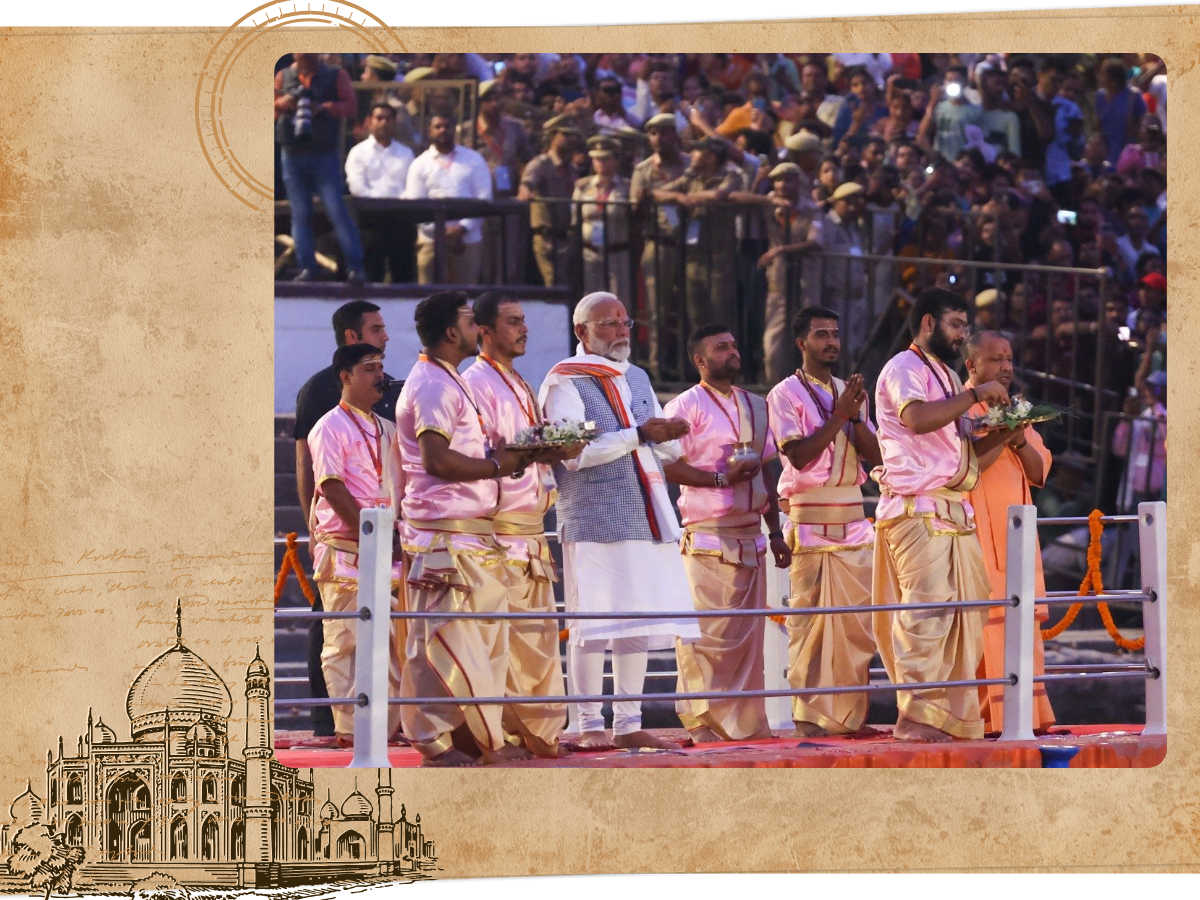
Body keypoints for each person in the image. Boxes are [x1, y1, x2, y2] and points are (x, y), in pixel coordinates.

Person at [538, 291, 702, 751]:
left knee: (640, 618)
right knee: (591, 622)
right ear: (581, 332)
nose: (620, 332)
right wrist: (640, 435)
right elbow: (573, 454)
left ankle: (628, 722)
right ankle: (588, 723)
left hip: (646, 508)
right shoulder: (563, 382)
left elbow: (657, 440)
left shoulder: (637, 377)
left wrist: (672, 438)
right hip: (593, 513)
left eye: (624, 323)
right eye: (608, 324)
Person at [395, 291, 536, 767]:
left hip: (472, 533)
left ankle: (474, 739)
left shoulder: (449, 378)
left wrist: (514, 458)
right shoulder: (432, 384)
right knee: (444, 641)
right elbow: (436, 460)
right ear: (453, 332)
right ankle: (436, 745)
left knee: (480, 640)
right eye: (473, 322)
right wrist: (498, 465)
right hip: (444, 534)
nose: (480, 329)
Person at [871, 288, 1014, 742]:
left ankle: (950, 717)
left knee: (965, 617)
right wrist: (974, 392)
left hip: (955, 508)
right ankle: (914, 718)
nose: (963, 335)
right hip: (916, 510)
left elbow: (961, 440)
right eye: (957, 325)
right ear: (928, 323)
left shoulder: (948, 377)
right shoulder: (902, 368)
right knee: (926, 616)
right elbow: (917, 420)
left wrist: (1011, 430)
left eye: (966, 326)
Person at [462, 292, 580, 758]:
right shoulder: (475, 383)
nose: (523, 329)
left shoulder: (516, 381)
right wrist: (536, 449)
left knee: (537, 638)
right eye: (513, 321)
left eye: (524, 320)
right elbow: (486, 456)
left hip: (532, 528)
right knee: (503, 642)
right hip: (500, 530)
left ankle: (540, 733)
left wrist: (555, 446)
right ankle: (502, 736)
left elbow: (525, 447)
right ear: (483, 331)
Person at [662, 325, 790, 743]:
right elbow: (665, 465)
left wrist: (775, 532)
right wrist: (720, 478)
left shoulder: (756, 404)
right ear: (700, 360)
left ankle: (747, 726)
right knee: (707, 638)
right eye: (722, 347)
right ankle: (704, 724)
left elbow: (767, 469)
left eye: (734, 345)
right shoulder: (685, 406)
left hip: (752, 535)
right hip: (707, 536)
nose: (733, 352)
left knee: (748, 641)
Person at [767, 307, 882, 736]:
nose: (831, 341)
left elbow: (875, 455)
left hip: (854, 519)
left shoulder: (851, 392)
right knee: (810, 628)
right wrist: (839, 415)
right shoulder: (784, 394)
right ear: (801, 344)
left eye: (835, 334)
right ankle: (811, 720)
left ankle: (849, 720)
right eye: (821, 335)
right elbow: (798, 455)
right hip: (811, 522)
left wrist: (853, 416)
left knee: (857, 626)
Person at [292, 300, 401, 738]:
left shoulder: (387, 429)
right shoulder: (328, 427)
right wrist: (373, 533)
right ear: (346, 376)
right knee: (344, 641)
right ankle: (349, 728)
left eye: (380, 368)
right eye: (369, 368)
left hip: (384, 548)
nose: (379, 375)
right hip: (348, 548)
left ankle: (389, 727)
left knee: (393, 638)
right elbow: (332, 486)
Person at [962, 331, 1056, 734]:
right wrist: (1003, 434)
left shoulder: (1018, 408)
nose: (1006, 367)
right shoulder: (959, 410)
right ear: (972, 366)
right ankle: (985, 719)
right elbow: (968, 467)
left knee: (1022, 626)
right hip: (977, 536)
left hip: (1017, 539)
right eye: (996, 359)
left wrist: (1018, 438)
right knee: (982, 628)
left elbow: (1038, 472)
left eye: (1009, 359)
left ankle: (1029, 717)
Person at [274, 53, 366, 283]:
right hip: (292, 153)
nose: (305, 56)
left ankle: (355, 268)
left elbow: (350, 106)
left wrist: (323, 108)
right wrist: (284, 103)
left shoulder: (336, 74)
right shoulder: (283, 76)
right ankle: (308, 268)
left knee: (336, 211)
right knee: (300, 214)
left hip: (323, 153)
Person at [653, 137, 746, 338]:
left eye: (697, 152)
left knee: (721, 317)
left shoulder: (730, 176)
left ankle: (726, 364)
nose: (692, 156)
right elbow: (657, 192)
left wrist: (693, 198)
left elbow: (720, 194)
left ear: (711, 157)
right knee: (697, 317)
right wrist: (678, 197)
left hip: (720, 259)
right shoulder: (691, 178)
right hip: (694, 258)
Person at [740, 163, 822, 385]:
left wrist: (780, 250)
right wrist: (767, 198)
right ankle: (774, 388)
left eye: (788, 179)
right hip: (778, 280)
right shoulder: (770, 203)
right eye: (778, 180)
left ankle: (812, 388)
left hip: (806, 278)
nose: (783, 185)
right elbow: (737, 198)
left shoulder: (810, 207)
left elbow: (815, 242)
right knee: (774, 343)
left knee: (810, 335)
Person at [630, 113, 689, 378]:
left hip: (692, 243)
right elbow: (633, 210)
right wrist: (642, 202)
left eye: (664, 132)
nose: (659, 138)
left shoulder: (689, 164)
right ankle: (658, 366)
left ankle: (690, 363)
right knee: (657, 309)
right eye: (653, 133)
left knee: (692, 307)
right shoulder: (643, 169)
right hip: (659, 241)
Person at [403, 113, 493, 285]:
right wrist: (441, 232)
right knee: (429, 299)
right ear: (430, 131)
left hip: (467, 240)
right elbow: (415, 205)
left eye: (447, 126)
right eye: (438, 127)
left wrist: (462, 228)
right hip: (430, 241)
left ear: (455, 130)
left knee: (465, 297)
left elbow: (483, 198)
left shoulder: (474, 159)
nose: (443, 130)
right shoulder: (419, 164)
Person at [344, 103, 416, 284]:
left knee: (404, 273)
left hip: (400, 219)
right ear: (369, 122)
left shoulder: (406, 153)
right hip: (370, 220)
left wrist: (397, 206)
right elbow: (356, 185)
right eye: (379, 118)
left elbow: (412, 185)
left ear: (394, 123)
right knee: (371, 272)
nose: (384, 122)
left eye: (388, 119)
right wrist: (380, 205)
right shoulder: (358, 152)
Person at [475, 80, 532, 284]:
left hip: (508, 199)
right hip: (479, 201)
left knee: (510, 257)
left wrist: (525, 185)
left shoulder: (515, 127)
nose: (494, 103)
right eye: (488, 99)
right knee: (484, 259)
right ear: (479, 103)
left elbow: (528, 160)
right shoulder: (467, 129)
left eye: (498, 98)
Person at [519, 117, 583, 287]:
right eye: (565, 135)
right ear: (553, 136)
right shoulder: (541, 163)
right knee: (553, 283)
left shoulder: (571, 168)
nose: (571, 140)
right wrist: (525, 191)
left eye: (573, 136)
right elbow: (528, 182)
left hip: (566, 236)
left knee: (568, 284)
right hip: (547, 236)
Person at [573, 139, 632, 302]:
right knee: (591, 301)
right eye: (596, 159)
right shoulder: (583, 186)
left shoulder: (626, 187)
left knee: (619, 299)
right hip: (591, 252)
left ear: (615, 160)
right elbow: (575, 220)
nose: (600, 163)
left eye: (605, 158)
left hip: (617, 251)